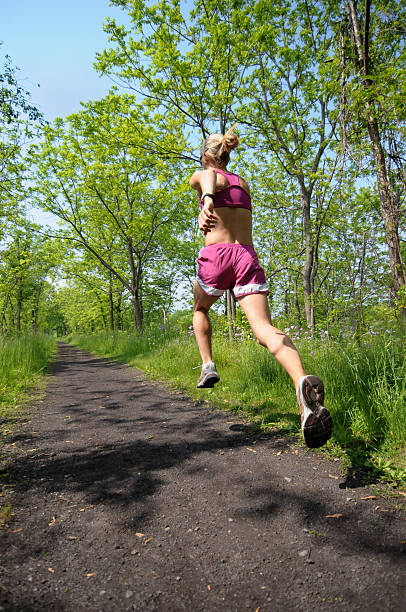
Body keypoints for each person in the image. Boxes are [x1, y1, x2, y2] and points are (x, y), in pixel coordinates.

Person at [189, 125, 333, 448]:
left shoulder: (205, 176)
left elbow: (208, 178)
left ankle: (208, 365)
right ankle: (301, 383)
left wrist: (207, 201)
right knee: (264, 330)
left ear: (206, 157)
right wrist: (208, 205)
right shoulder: (244, 184)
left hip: (217, 256)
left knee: (199, 309)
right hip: (246, 257)